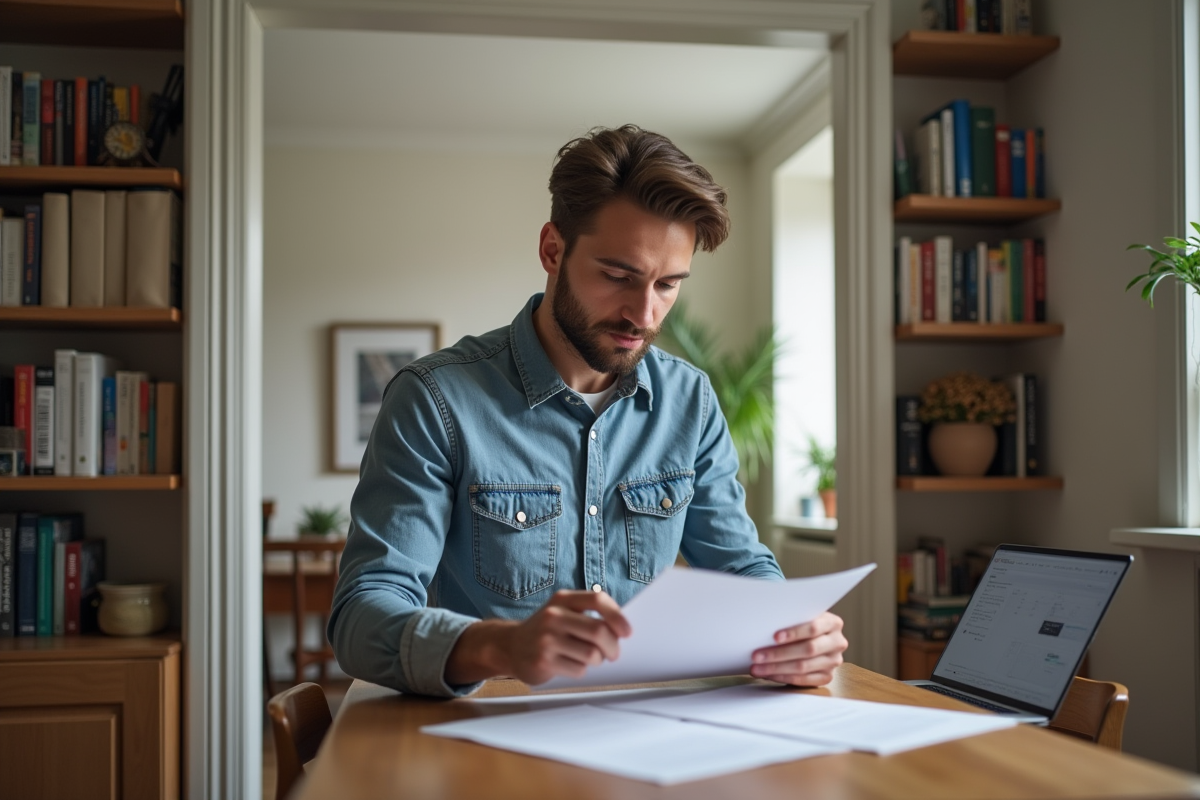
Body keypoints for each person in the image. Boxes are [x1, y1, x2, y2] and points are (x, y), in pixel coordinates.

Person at [328, 124, 848, 697]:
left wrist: (791, 629)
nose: (645, 315)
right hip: (493, 737)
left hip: (653, 733)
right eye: (618, 276)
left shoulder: (690, 402)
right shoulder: (435, 400)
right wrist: (502, 645)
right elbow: (361, 617)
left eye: (668, 284)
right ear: (553, 250)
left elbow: (742, 566)